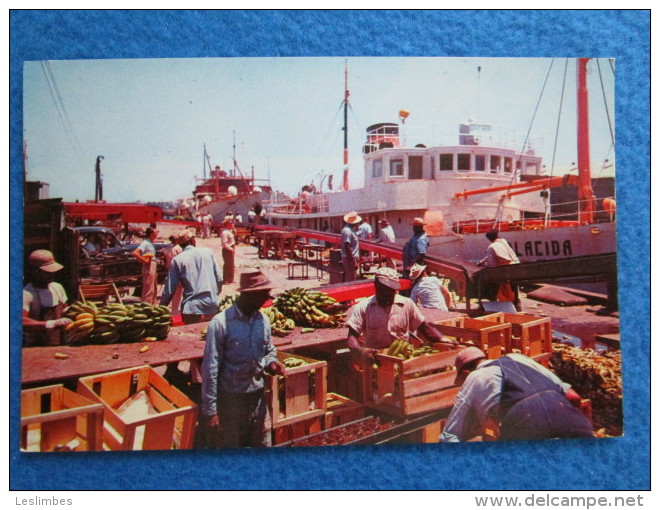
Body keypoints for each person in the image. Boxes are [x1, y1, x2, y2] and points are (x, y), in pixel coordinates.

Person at [201, 270, 285, 448]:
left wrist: (272, 363)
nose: (267, 299)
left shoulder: (263, 321)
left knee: (262, 447)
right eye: (263, 294)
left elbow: (268, 351)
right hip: (231, 401)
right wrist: (211, 411)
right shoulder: (220, 323)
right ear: (249, 295)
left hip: (257, 399)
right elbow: (210, 369)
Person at [440, 347, 593, 442]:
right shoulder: (518, 358)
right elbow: (574, 397)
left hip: (526, 425)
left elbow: (449, 435)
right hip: (571, 419)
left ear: (466, 373)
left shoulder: (475, 376)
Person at [346, 267, 444, 364]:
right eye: (384, 290)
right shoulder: (364, 307)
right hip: (375, 362)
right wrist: (362, 351)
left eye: (391, 290)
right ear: (376, 285)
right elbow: (351, 337)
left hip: (403, 362)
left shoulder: (407, 304)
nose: (388, 294)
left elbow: (424, 327)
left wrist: (442, 339)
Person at [160, 229, 223, 324]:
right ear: (192, 241)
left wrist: (161, 309)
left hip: (191, 308)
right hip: (211, 304)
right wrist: (214, 295)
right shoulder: (208, 252)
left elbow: (169, 290)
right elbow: (219, 278)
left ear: (180, 244)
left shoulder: (177, 260)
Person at [22, 250, 72, 346]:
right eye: (47, 272)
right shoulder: (27, 293)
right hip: (36, 346)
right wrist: (50, 324)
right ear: (35, 272)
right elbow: (21, 321)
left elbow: (65, 310)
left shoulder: (57, 287)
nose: (52, 274)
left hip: (59, 343)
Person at [477, 229, 520, 307]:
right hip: (516, 267)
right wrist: (482, 261)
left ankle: (503, 303)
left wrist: (484, 265)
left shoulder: (491, 247)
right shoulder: (503, 241)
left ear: (489, 239)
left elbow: (492, 265)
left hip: (505, 272)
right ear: (497, 236)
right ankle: (516, 303)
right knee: (514, 288)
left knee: (493, 282)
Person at [131, 227, 159, 305]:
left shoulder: (150, 243)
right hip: (149, 266)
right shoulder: (145, 243)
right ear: (151, 234)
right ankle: (146, 305)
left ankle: (152, 305)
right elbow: (135, 253)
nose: (157, 234)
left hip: (153, 264)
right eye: (156, 232)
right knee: (148, 287)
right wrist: (143, 260)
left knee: (153, 287)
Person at [162, 235, 183, 315]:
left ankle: (174, 309)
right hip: (178, 271)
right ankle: (177, 310)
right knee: (179, 291)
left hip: (170, 270)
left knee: (173, 291)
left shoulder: (168, 248)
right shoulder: (178, 248)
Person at [340, 211, 361, 282]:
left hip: (351, 258)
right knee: (350, 279)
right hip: (350, 259)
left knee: (350, 277)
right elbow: (347, 246)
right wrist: (352, 261)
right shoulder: (347, 231)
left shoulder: (351, 230)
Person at [220, 220, 236, 284]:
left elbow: (235, 233)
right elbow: (224, 243)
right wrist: (231, 249)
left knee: (231, 265)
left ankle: (231, 279)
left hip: (231, 248)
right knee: (227, 265)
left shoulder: (230, 231)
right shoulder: (224, 232)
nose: (232, 224)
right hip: (227, 249)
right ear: (227, 224)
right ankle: (226, 280)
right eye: (231, 223)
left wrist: (233, 228)